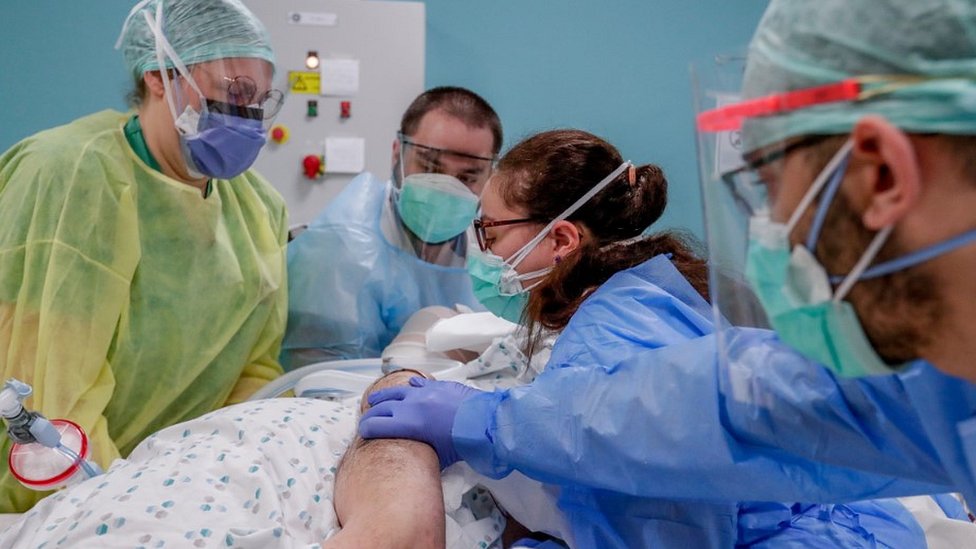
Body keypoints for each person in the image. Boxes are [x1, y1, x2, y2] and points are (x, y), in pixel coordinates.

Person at [355, 0, 976, 520]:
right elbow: (740, 412)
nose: (772, 229)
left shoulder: (616, 318)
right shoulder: (940, 371)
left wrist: (494, 426)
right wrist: (499, 421)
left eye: (766, 186)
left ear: (883, 175)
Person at [349, 130, 927, 548]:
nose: (482, 249)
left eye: (490, 230)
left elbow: (663, 503)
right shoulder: (661, 286)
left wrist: (492, 430)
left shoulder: (609, 332)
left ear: (562, 239)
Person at [0, 0, 287, 513]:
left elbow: (256, 373)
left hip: (176, 491)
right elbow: (55, 397)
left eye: (261, 99)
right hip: (53, 502)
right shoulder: (71, 177)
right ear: (159, 76)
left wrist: (245, 477)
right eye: (234, 93)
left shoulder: (259, 208)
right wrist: (129, 506)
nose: (247, 116)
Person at [280, 87, 502, 369]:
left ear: (491, 176)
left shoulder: (497, 248)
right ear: (397, 153)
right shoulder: (341, 247)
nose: (447, 187)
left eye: (467, 177)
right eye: (430, 167)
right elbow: (314, 374)